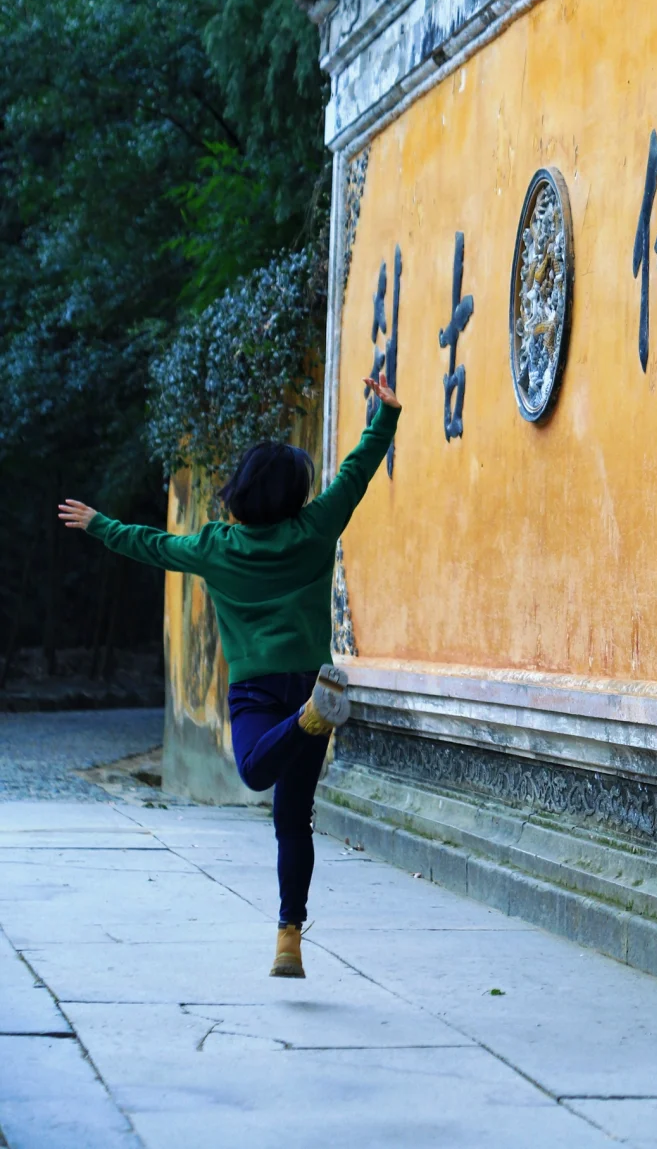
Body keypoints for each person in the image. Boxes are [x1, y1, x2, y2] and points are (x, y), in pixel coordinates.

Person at [59, 374, 401, 979]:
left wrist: (98, 524)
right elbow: (357, 472)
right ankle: (288, 936)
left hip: (260, 692)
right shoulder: (316, 530)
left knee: (252, 770)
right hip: (310, 681)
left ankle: (307, 727)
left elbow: (153, 545)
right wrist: (385, 416)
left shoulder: (217, 547)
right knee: (294, 819)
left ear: (242, 491)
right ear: (293, 494)